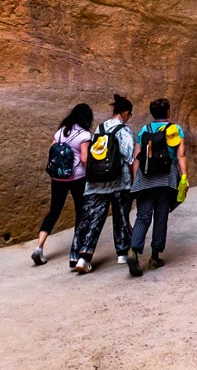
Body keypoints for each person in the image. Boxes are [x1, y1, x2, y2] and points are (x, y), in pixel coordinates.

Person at [69, 94, 135, 273]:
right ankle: (122, 253)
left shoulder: (100, 128)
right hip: (119, 181)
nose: (129, 117)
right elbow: (129, 156)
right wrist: (134, 179)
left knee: (93, 219)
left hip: (97, 181)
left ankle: (83, 257)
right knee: (121, 216)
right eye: (129, 114)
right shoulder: (124, 130)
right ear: (125, 112)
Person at [127, 98, 187, 277]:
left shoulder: (145, 130)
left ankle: (134, 250)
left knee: (143, 215)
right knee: (161, 215)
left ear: (152, 114)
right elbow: (181, 155)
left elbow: (137, 157)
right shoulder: (175, 129)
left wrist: (136, 181)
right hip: (166, 179)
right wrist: (184, 177)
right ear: (168, 112)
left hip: (145, 179)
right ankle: (154, 257)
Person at [33, 102, 94, 265]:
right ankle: (77, 248)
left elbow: (52, 151)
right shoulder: (84, 135)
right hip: (77, 178)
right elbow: (84, 159)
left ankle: (39, 247)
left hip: (58, 178)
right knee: (80, 211)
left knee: (54, 211)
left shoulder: (61, 132)